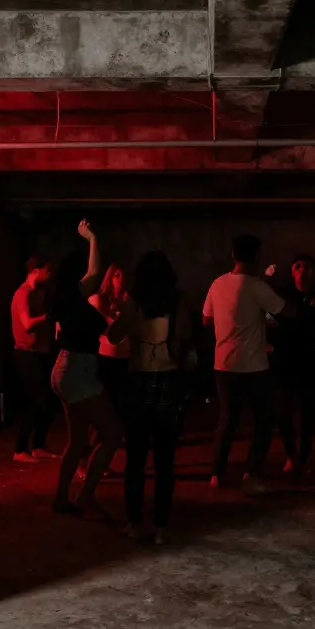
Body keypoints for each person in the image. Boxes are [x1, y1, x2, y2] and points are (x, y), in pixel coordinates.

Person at [107, 252, 191, 544]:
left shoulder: (134, 302)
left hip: (138, 379)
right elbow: (182, 338)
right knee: (165, 459)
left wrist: (120, 312)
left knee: (136, 458)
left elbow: (113, 336)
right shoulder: (178, 301)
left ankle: (134, 522)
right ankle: (161, 526)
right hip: (168, 378)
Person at [204, 235, 294, 496]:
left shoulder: (217, 283)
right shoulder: (256, 286)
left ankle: (216, 474)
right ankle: (251, 473)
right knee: (264, 421)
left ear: (233, 255)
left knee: (227, 420)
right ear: (256, 257)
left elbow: (206, 320)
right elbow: (286, 311)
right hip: (253, 365)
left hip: (223, 363)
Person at [49, 221, 121, 518]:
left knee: (78, 440)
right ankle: (86, 496)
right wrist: (91, 237)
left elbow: (91, 274)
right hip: (77, 369)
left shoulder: (62, 298)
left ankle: (62, 498)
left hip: (65, 368)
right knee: (113, 434)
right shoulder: (74, 298)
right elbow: (94, 272)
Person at [270, 254, 315, 476]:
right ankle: (291, 455)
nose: (303, 271)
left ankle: (303, 458)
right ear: (292, 271)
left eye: (308, 267)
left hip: (312, 363)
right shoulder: (285, 296)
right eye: (298, 267)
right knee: (284, 413)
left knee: (308, 416)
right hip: (286, 363)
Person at [11, 255, 60, 463]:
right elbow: (27, 324)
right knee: (35, 401)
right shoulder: (23, 294)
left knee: (48, 400)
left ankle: (38, 445)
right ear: (36, 271)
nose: (50, 276)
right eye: (47, 271)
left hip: (39, 353)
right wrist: (47, 318)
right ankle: (20, 449)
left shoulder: (39, 293)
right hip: (26, 355)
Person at [91, 263, 132, 410]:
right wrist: (108, 313)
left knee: (122, 400)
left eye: (123, 276)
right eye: (117, 275)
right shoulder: (100, 300)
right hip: (106, 356)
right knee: (106, 399)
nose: (121, 279)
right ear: (110, 278)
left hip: (125, 356)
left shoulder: (129, 301)